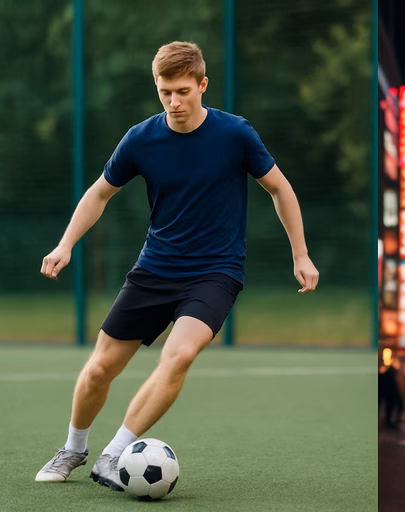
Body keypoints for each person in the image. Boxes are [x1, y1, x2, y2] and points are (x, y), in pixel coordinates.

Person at [35, 41, 319, 489]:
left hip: (215, 272)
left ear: (202, 85)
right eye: (165, 91)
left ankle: (112, 455)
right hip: (155, 269)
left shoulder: (235, 134)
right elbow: (99, 193)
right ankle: (72, 448)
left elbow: (280, 189)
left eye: (183, 90)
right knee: (99, 368)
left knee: (179, 354)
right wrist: (66, 244)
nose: (174, 101)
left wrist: (300, 253)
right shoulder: (141, 138)